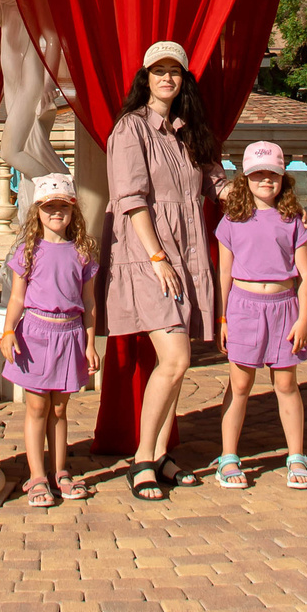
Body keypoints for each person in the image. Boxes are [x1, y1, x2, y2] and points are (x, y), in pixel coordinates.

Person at [105, 40, 223, 501]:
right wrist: (157, 258)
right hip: (148, 253)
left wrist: (258, 192)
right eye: (159, 71)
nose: (167, 78)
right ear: (146, 77)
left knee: (174, 364)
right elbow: (131, 200)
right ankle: (141, 461)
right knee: (175, 359)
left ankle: (157, 454)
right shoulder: (130, 129)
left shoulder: (187, 130)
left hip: (188, 252)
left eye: (175, 72)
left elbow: (214, 179)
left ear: (184, 79)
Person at [213, 140, 307, 490]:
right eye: (258, 175)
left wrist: (303, 319)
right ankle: (228, 457)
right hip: (243, 307)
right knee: (240, 384)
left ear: (282, 178)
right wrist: (223, 318)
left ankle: (296, 455)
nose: (265, 181)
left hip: (284, 307)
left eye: (272, 175)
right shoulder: (231, 220)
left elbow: (305, 275)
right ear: (245, 179)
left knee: (286, 384)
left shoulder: (292, 220)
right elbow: (224, 272)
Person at [0, 173, 99, 505]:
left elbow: (88, 303)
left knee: (59, 408)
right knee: (37, 406)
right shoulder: (28, 251)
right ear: (37, 211)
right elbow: (16, 298)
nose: (56, 213)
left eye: (63, 207)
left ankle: (59, 471)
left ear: (73, 212)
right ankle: (37, 475)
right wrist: (9, 330)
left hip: (69, 333)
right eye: (49, 207)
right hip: (36, 334)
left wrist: (89, 343)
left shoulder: (82, 252)